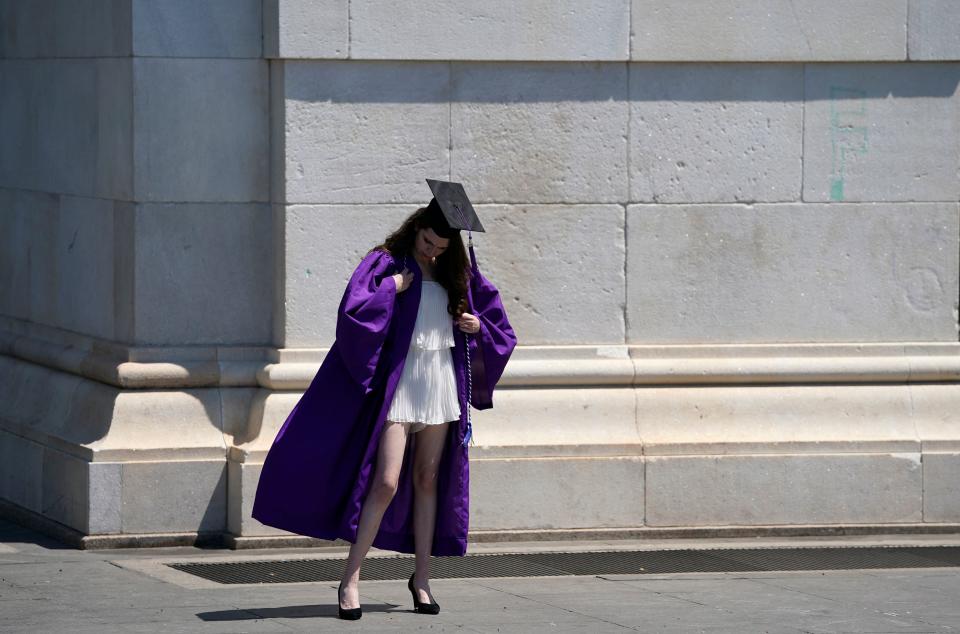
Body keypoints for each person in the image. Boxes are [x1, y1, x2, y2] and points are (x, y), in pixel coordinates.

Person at [251, 180, 517, 621]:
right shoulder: (387, 263)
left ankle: (422, 579)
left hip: (439, 382)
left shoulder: (459, 276)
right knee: (387, 482)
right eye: (427, 239)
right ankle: (350, 578)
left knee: (428, 480)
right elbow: (353, 314)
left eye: (439, 245)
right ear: (416, 228)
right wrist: (391, 287)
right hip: (401, 382)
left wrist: (474, 327)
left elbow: (497, 327)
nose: (431, 249)